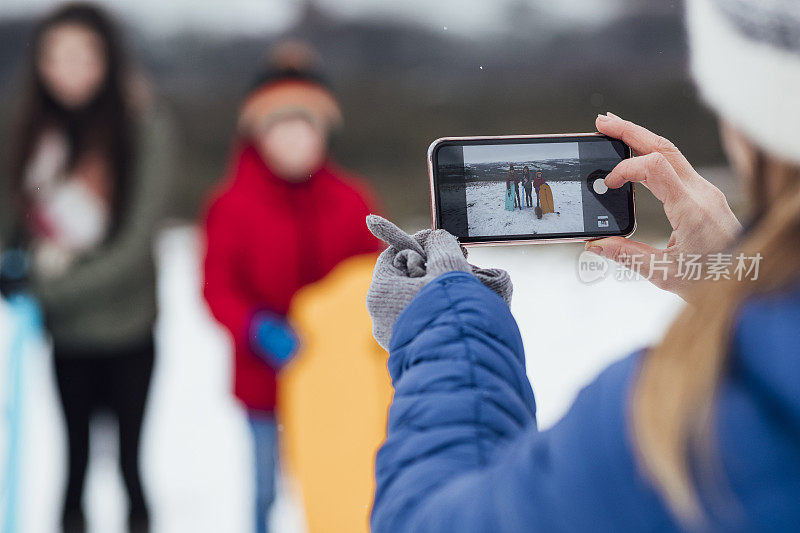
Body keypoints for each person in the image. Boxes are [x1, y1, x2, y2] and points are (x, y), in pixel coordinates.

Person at [365, 0, 800, 530]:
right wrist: (739, 277)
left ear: (746, 123)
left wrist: (443, 323)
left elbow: (430, 519)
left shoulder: (673, 431)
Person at [0, 4, 174, 532]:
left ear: (106, 59)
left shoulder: (143, 127)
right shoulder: (36, 134)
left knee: (128, 464)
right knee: (72, 466)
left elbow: (134, 244)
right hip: (68, 335)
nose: (68, 70)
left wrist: (47, 288)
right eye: (56, 57)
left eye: (82, 56)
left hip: (127, 327)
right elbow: (19, 215)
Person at [202, 41, 382, 533]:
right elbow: (216, 287)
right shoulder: (231, 205)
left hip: (336, 382)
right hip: (264, 379)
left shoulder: (352, 201)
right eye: (280, 127)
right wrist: (255, 327)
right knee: (264, 488)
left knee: (337, 480)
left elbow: (378, 277)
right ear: (258, 135)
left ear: (324, 133)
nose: (294, 140)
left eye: (305, 127)